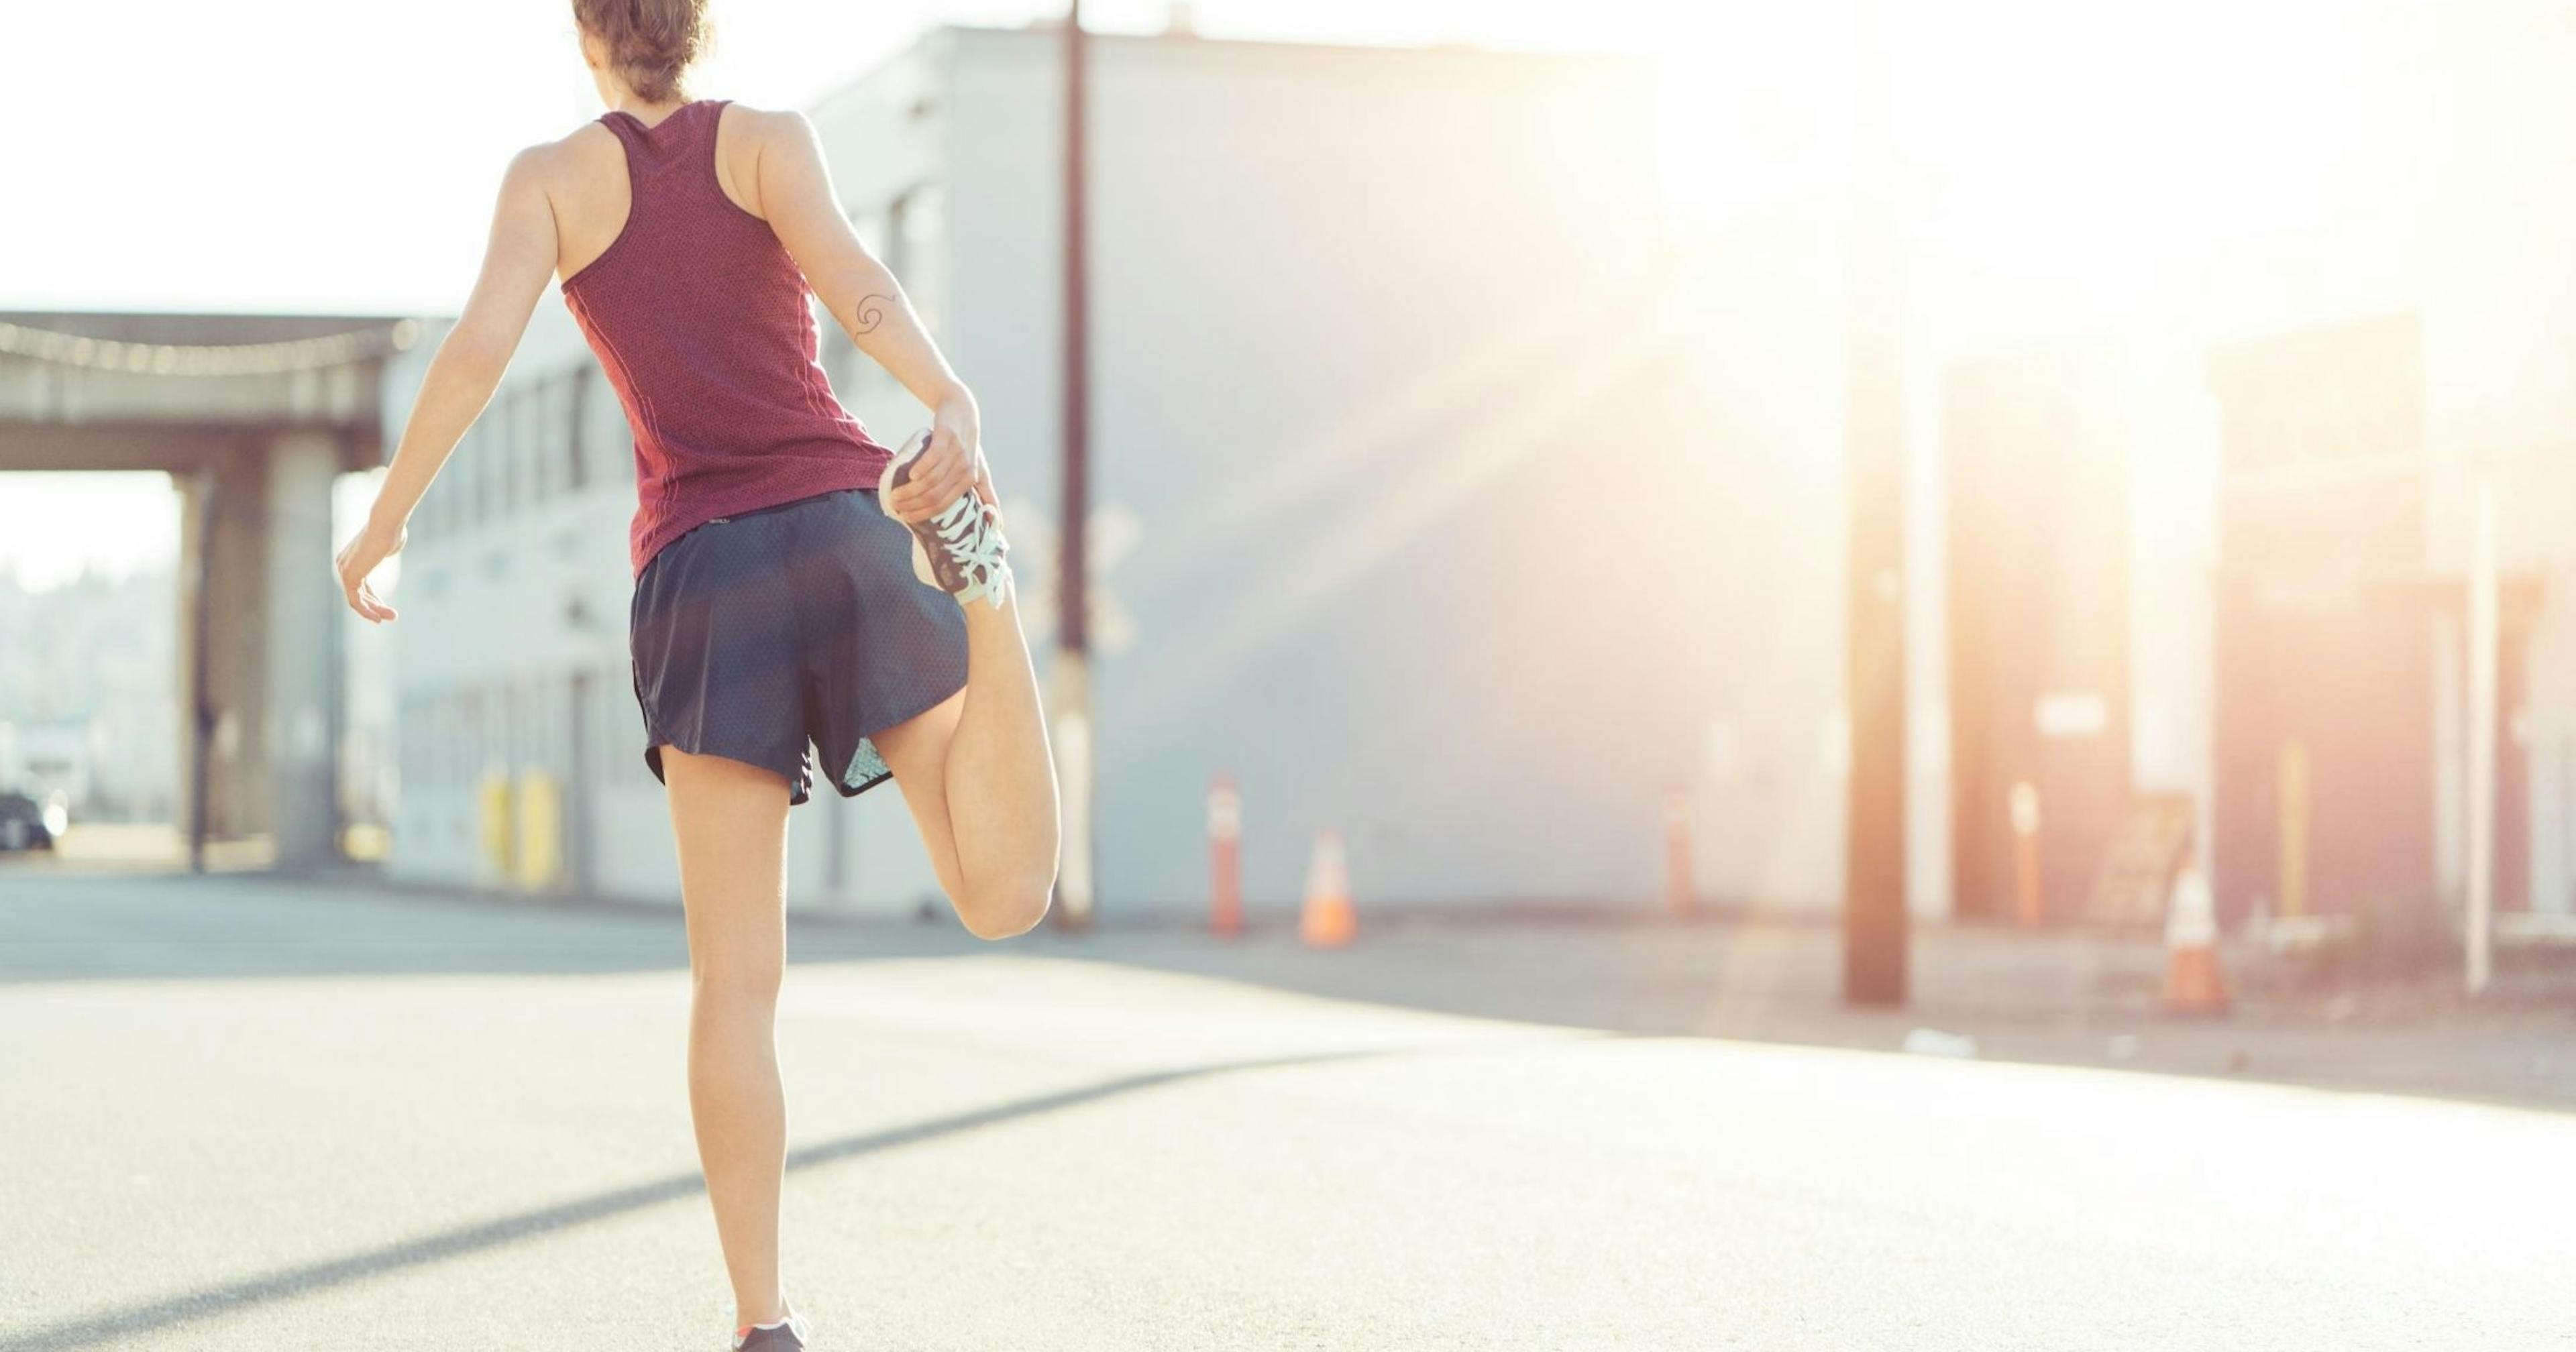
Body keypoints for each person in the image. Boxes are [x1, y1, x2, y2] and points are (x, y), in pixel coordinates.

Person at [332, 3, 1063, 1346]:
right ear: (699, 27)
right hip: (852, 530)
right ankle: (987, 587)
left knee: (737, 983)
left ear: (588, 36)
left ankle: (762, 1321)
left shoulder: (553, 181)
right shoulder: (770, 145)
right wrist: (947, 398)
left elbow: (479, 351)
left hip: (705, 577)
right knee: (1001, 889)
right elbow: (856, 283)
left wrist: (385, 522)